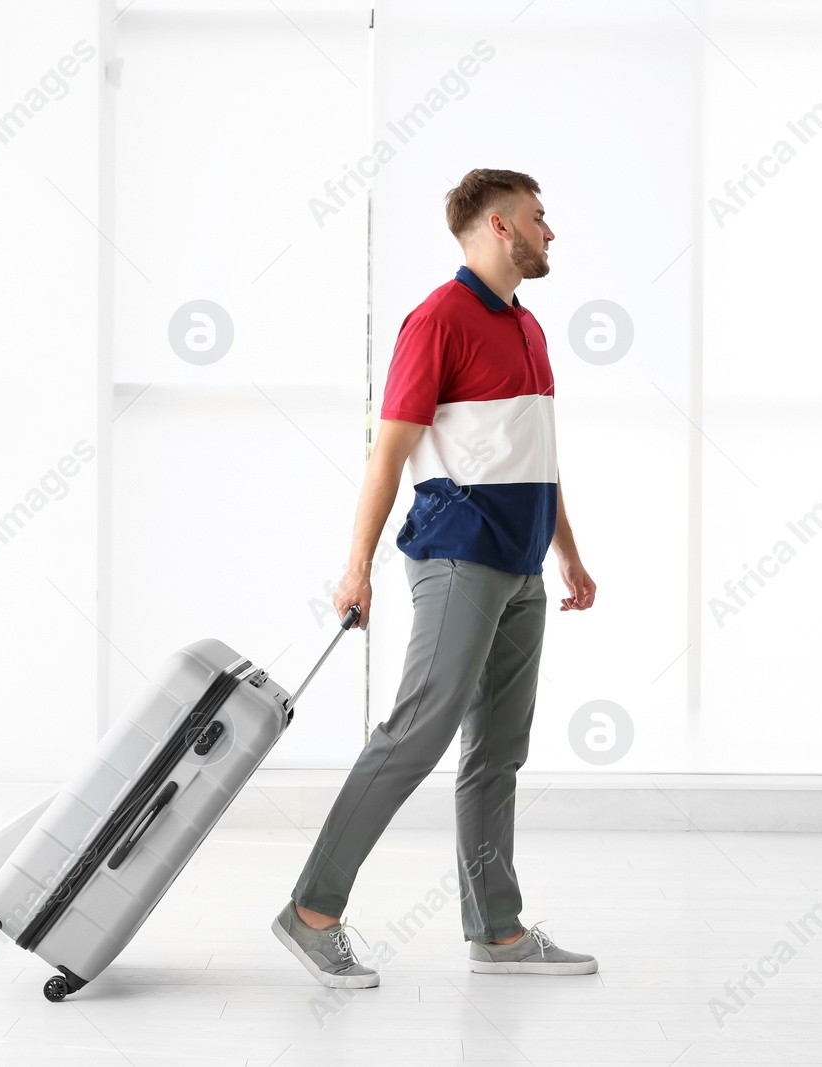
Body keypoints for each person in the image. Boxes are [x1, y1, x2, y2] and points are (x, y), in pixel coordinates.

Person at [270, 168, 598, 988]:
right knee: (416, 730)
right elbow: (389, 453)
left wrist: (568, 551)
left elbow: (539, 459)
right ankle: (311, 911)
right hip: (458, 555)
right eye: (537, 216)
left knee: (497, 753)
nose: (549, 230)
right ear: (496, 225)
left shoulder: (528, 328)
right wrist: (357, 567)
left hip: (521, 565)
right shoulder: (438, 319)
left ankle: (497, 929)